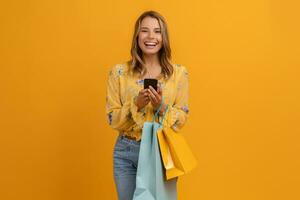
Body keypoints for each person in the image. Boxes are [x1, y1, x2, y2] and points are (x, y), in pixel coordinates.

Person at [105, 10, 189, 200]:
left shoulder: (179, 74)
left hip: (160, 152)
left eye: (157, 31)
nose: (151, 37)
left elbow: (181, 120)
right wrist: (136, 104)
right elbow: (112, 119)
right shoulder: (118, 73)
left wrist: (161, 106)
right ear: (137, 36)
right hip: (126, 152)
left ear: (163, 37)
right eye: (145, 31)